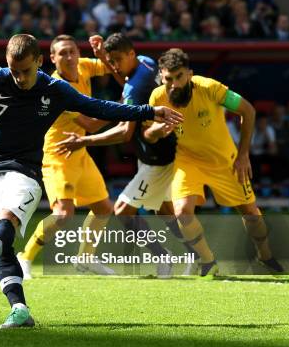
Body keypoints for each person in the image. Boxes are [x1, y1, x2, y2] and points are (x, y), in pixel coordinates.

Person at [0, 34, 183, 329]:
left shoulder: (55, 89)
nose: (18, 78)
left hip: (26, 173)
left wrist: (149, 110)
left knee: (7, 221)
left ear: (40, 62)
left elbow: (99, 107)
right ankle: (19, 310)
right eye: (13, 71)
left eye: (25, 71)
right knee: (2, 242)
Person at [55, 33, 195, 277]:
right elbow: (127, 80)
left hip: (157, 158)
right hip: (159, 151)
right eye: (112, 61)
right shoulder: (145, 61)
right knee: (164, 209)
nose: (115, 66)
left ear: (130, 53)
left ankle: (164, 257)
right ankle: (196, 252)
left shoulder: (135, 88)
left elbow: (124, 133)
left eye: (117, 59)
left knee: (122, 211)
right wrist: (104, 59)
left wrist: (84, 141)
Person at [149, 48, 283, 276]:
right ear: (162, 76)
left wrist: (243, 156)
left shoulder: (210, 88)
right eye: (168, 78)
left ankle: (265, 255)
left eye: (179, 76)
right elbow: (148, 135)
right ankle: (208, 261)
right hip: (187, 160)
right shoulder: (157, 97)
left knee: (250, 213)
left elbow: (248, 111)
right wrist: (158, 130)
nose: (174, 84)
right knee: (182, 212)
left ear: (189, 74)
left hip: (224, 161)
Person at [17, 34, 124, 280]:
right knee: (63, 215)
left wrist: (102, 55)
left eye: (72, 51)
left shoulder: (84, 65)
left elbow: (112, 69)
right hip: (59, 155)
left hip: (80, 151)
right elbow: (91, 125)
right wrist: (121, 106)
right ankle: (25, 256)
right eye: (62, 53)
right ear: (52, 59)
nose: (69, 57)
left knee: (104, 208)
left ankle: (85, 259)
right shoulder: (56, 90)